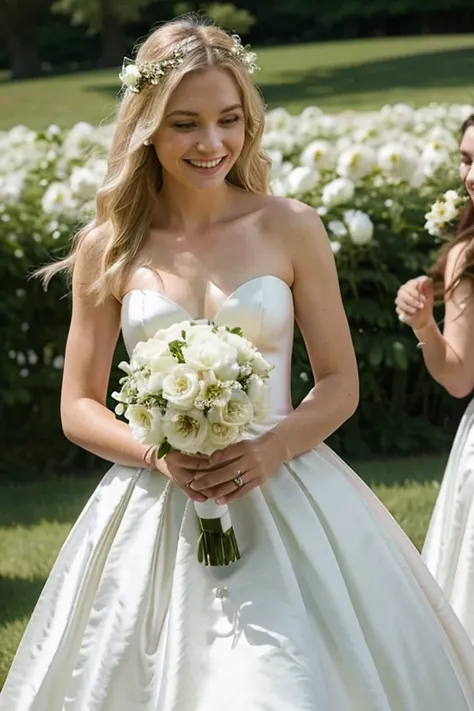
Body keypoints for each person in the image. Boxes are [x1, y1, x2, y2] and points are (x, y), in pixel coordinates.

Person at [2, 16, 474, 711]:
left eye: (229, 119)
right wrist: (159, 454)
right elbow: (77, 403)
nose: (212, 142)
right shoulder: (109, 246)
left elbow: (341, 382)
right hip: (157, 501)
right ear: (148, 127)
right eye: (186, 123)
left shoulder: (291, 225)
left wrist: (273, 447)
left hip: (288, 485)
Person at [395, 114, 474, 643]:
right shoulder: (468, 255)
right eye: (466, 159)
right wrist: (425, 325)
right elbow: (459, 376)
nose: (471, 175)